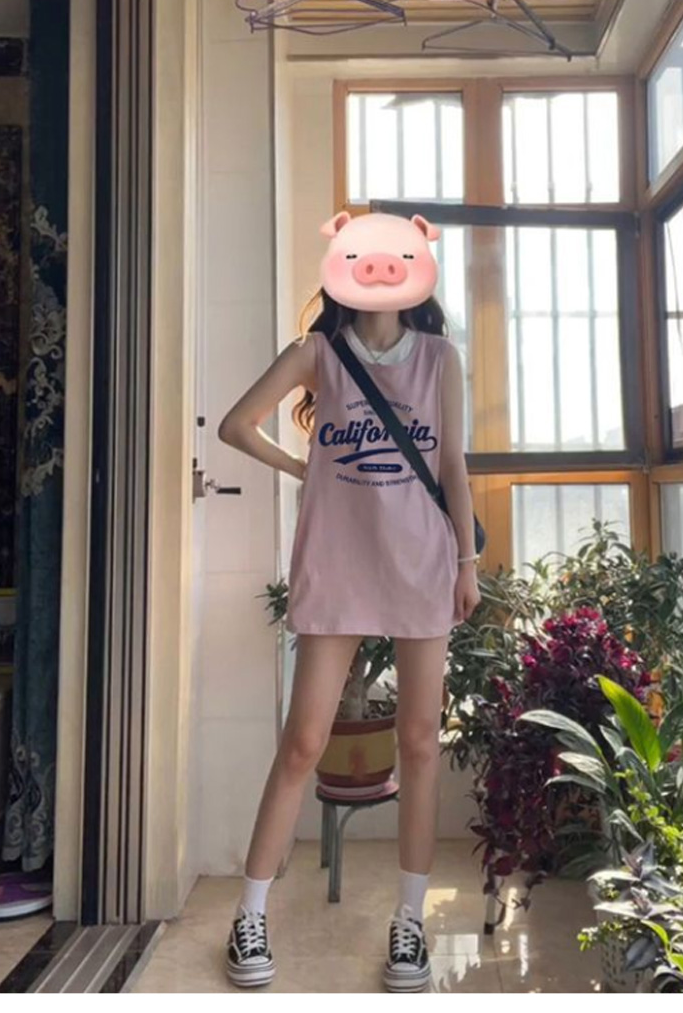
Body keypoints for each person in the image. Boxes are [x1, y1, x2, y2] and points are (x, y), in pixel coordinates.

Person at [217, 213, 478, 992]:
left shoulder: (440, 358)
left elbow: (454, 466)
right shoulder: (316, 353)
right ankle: (249, 914)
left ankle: (410, 922)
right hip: (337, 563)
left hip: (422, 561)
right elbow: (236, 425)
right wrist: (304, 472)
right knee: (303, 742)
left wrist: (467, 562)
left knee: (420, 743)